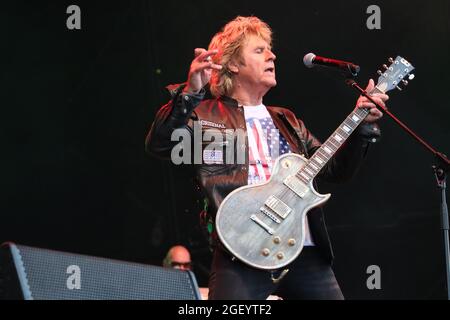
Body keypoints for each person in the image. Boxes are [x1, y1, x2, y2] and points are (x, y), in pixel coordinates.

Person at [146, 16, 388, 300]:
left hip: (302, 248)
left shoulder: (286, 120)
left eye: (270, 50)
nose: (272, 55)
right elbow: (161, 144)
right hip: (241, 246)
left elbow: (337, 171)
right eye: (259, 50)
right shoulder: (205, 115)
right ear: (232, 64)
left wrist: (364, 127)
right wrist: (190, 93)